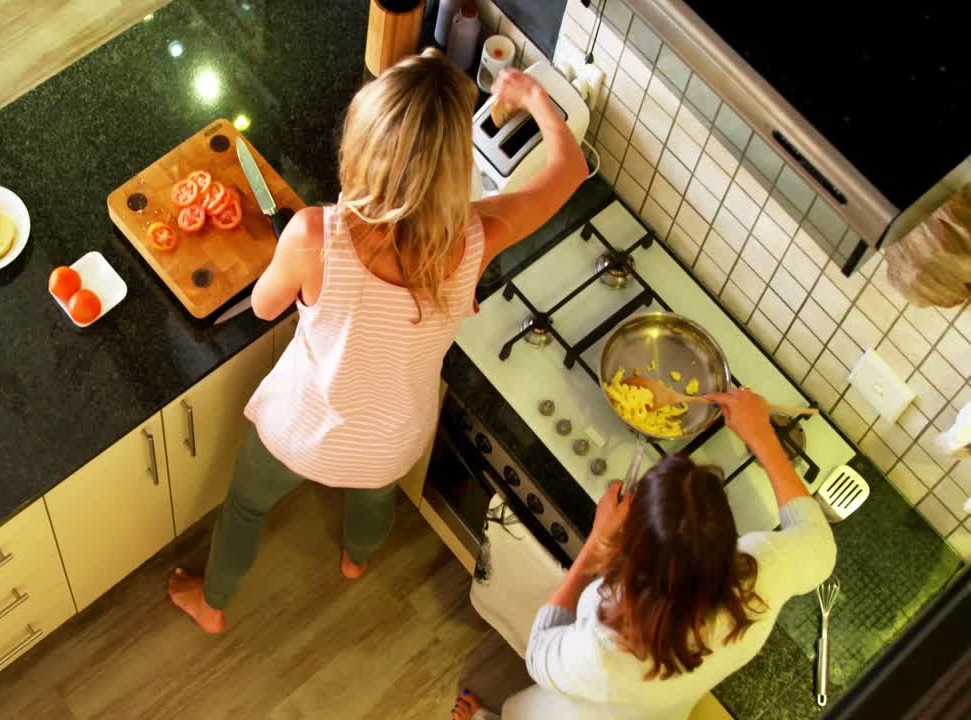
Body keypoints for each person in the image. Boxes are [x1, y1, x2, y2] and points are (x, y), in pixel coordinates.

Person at [168, 52, 588, 633]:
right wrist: (535, 98)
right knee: (373, 500)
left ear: (359, 149)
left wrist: (295, 268)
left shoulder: (315, 234)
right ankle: (356, 558)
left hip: (301, 431)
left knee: (246, 504)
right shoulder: (473, 238)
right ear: (455, 169)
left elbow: (264, 305)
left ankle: (211, 605)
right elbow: (568, 171)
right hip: (392, 440)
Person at [452, 388, 838, 720]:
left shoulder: (606, 646)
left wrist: (597, 543)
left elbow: (540, 655)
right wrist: (762, 436)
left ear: (634, 550)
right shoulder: (757, 576)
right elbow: (821, 549)